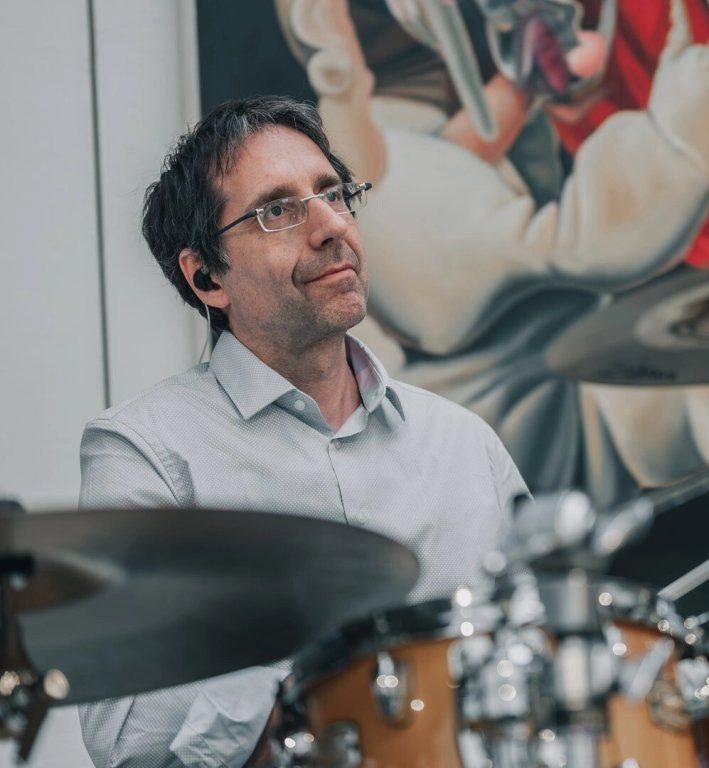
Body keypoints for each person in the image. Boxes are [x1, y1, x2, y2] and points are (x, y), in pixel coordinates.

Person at [77, 95, 527, 767]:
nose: (330, 227)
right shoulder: (145, 452)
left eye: (333, 194)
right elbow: (127, 735)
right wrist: (319, 667)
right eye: (277, 211)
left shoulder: (465, 444)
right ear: (207, 277)